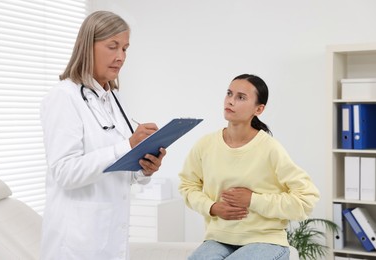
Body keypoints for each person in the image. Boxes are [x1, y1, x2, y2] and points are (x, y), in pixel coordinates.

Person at [39, 11, 166, 259]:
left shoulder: (113, 99)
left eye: (125, 49)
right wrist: (128, 145)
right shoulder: (64, 97)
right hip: (77, 240)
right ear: (88, 46)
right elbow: (64, 172)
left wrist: (144, 168)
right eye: (113, 47)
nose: (121, 57)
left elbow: (120, 169)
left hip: (111, 235)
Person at [178, 74, 320, 260]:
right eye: (229, 94)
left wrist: (252, 200)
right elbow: (187, 186)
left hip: (266, 239)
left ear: (259, 109)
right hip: (219, 238)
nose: (230, 101)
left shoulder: (270, 148)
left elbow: (306, 199)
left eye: (241, 97)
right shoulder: (206, 144)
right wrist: (212, 207)